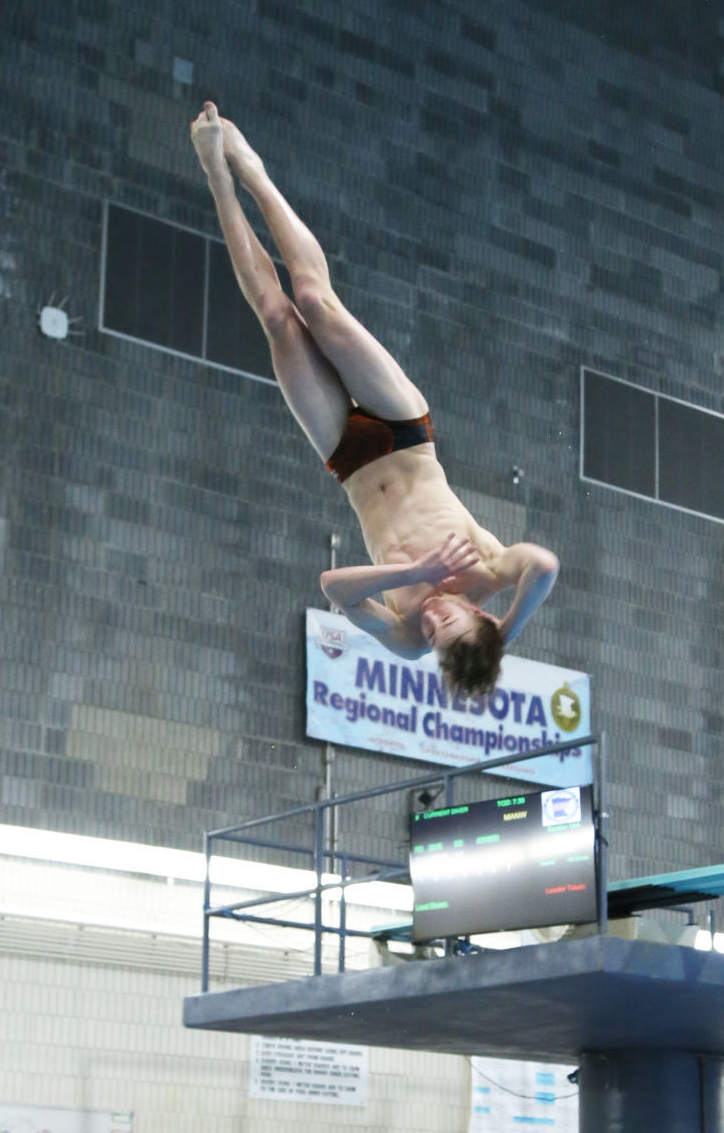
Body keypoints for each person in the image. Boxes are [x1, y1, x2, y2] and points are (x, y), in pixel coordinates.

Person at [189, 102, 559, 701]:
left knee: (280, 319)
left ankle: (215, 173)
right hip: (404, 431)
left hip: (349, 460)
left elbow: (334, 587)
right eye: (451, 623)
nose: (434, 622)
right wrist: (505, 632)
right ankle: (254, 171)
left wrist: (415, 575)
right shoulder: (490, 574)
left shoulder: (408, 637)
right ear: (483, 617)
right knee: (313, 300)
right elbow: (544, 565)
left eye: (436, 636)